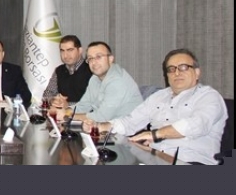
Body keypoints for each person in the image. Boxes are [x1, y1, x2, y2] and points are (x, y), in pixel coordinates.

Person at [82, 49, 227, 165]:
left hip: (190, 161)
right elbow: (130, 122)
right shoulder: (159, 96)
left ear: (197, 73)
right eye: (171, 69)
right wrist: (101, 126)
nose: (177, 73)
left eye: (183, 67)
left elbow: (197, 124)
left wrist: (155, 134)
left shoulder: (209, 97)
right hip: (155, 159)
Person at [69, 41, 142, 122]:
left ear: (110, 59)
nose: (94, 62)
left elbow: (102, 117)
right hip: (107, 126)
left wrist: (68, 116)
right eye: (90, 58)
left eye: (98, 57)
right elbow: (84, 105)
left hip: (128, 128)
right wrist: (65, 111)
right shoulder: (95, 78)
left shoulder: (118, 81)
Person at [42, 35, 92, 108]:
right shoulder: (59, 70)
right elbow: (48, 93)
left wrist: (68, 105)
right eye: (62, 51)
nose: (65, 55)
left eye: (70, 50)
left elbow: (94, 102)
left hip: (86, 114)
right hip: (62, 113)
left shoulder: (91, 70)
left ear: (80, 51)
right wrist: (53, 101)